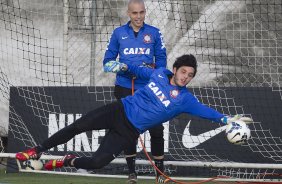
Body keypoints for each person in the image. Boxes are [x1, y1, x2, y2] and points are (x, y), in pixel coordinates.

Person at [16, 54, 253, 184]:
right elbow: (138, 70)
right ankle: (36, 150)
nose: (186, 77)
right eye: (183, 72)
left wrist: (226, 120)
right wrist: (119, 65)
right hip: (118, 110)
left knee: (97, 163)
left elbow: (205, 111)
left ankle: (66, 161)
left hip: (129, 131)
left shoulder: (185, 99)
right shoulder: (159, 73)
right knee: (78, 126)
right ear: (176, 68)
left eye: (190, 75)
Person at [103, 0, 167, 183]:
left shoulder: (154, 33)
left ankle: (160, 173)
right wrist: (119, 66)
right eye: (135, 13)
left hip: (149, 88)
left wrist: (155, 73)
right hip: (125, 87)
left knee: (156, 127)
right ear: (128, 14)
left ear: (145, 12)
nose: (138, 17)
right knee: (128, 130)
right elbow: (107, 62)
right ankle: (132, 173)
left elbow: (162, 59)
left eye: (141, 12)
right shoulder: (118, 33)